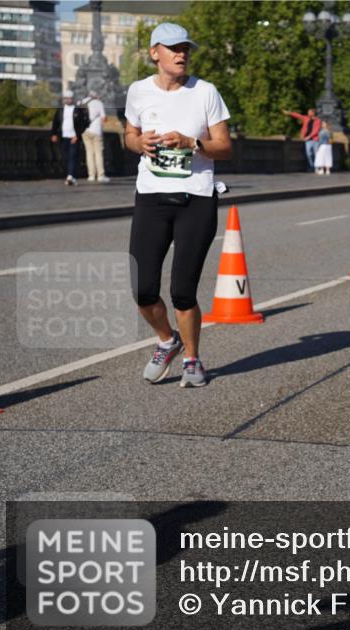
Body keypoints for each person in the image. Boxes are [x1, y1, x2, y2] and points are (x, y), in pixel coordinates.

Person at [123, 22, 232, 388]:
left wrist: (192, 143)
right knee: (143, 288)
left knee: (183, 290)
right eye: (173, 48)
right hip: (151, 198)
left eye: (185, 47)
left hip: (196, 199)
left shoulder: (205, 92)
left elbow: (225, 146)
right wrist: (139, 144)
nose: (181, 54)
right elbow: (129, 134)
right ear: (155, 53)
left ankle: (192, 359)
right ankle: (166, 340)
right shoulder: (138, 92)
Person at [50, 90, 88, 186]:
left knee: (72, 157)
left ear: (72, 99)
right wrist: (53, 134)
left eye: (69, 98)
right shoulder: (60, 109)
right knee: (65, 157)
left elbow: (83, 124)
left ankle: (70, 176)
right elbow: (55, 122)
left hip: (73, 137)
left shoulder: (77, 109)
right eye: (65, 98)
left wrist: (77, 135)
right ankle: (70, 176)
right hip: (63, 137)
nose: (67, 100)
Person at [81, 90, 110, 183]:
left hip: (85, 130)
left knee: (89, 154)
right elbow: (104, 118)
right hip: (96, 131)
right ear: (96, 96)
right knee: (98, 154)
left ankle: (91, 175)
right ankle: (100, 175)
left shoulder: (82, 102)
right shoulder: (98, 103)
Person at [282, 107, 321, 171]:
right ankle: (311, 166)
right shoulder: (306, 118)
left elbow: (316, 131)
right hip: (307, 140)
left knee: (316, 154)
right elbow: (298, 115)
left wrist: (309, 136)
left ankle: (317, 167)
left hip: (315, 139)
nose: (308, 113)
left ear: (313, 113)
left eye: (309, 112)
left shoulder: (318, 120)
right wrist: (289, 113)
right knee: (309, 154)